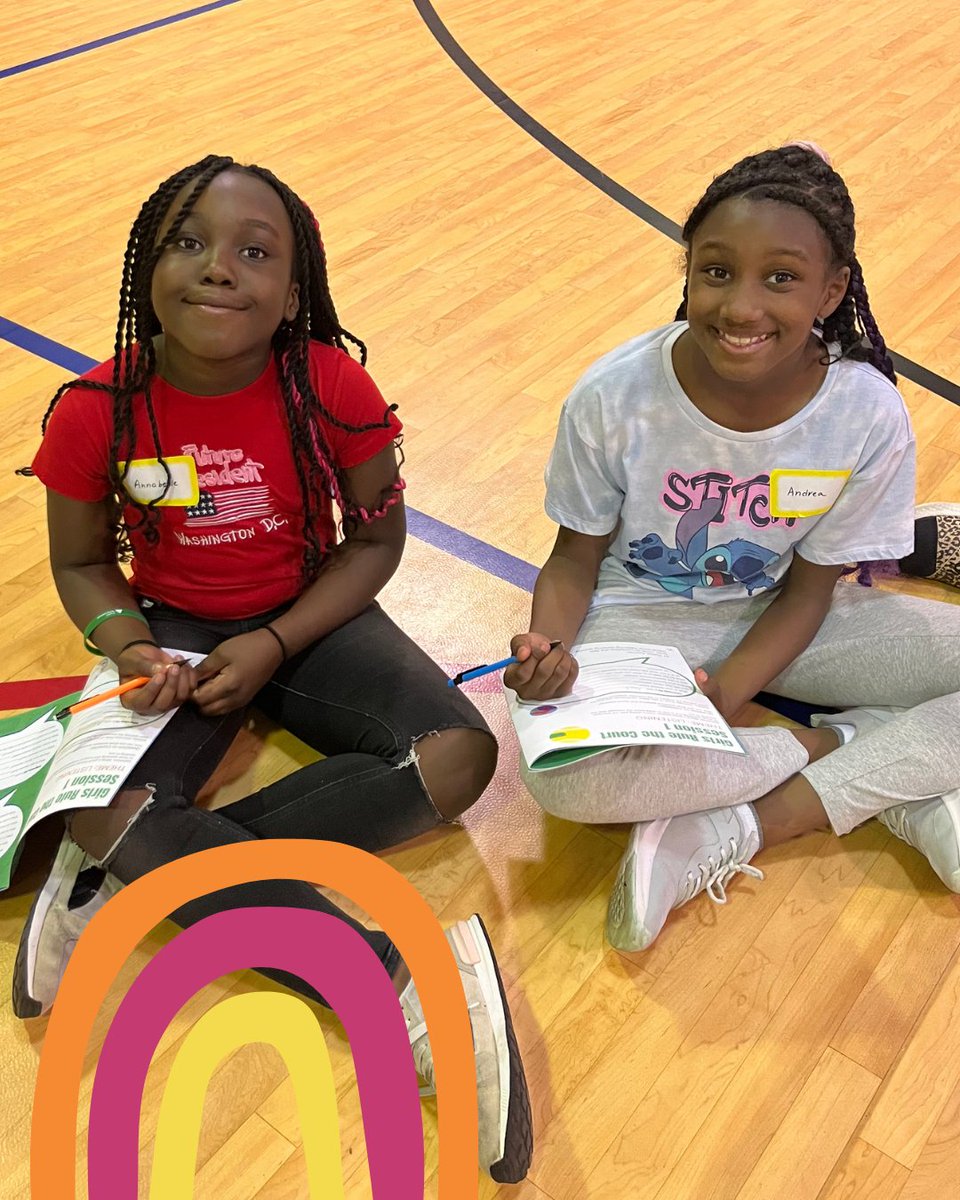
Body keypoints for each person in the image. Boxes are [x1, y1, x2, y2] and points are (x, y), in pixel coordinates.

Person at [14, 154, 531, 1183]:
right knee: (106, 807)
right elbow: (80, 564)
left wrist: (278, 641)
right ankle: (405, 981)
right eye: (190, 243)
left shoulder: (334, 389)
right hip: (171, 634)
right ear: (144, 267)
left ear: (293, 294)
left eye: (255, 252)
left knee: (461, 758)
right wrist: (129, 644)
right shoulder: (95, 411)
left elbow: (376, 548)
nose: (219, 268)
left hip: (311, 620)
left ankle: (136, 865)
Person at [505, 143, 960, 954]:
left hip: (792, 619)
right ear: (689, 271)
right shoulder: (614, 395)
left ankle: (755, 820)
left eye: (780, 278)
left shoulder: (864, 414)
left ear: (833, 288)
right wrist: (552, 647)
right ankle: (850, 746)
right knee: (564, 778)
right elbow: (575, 558)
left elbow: (811, 591)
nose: (742, 306)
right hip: (638, 619)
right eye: (717, 271)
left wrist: (727, 695)